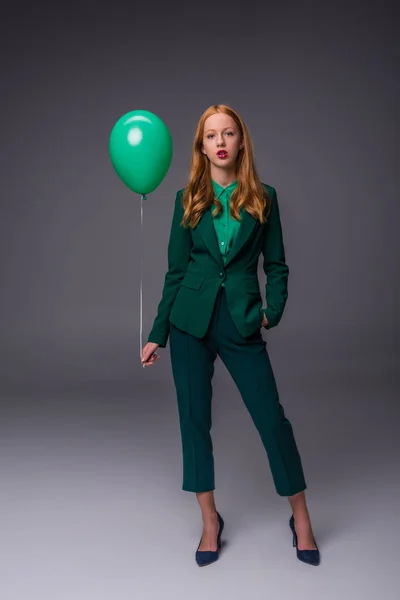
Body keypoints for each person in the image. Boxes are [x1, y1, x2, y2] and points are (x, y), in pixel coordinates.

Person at [141, 104, 320, 567]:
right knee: (193, 420)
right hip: (188, 324)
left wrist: (271, 311)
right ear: (201, 147)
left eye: (229, 133)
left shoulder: (265, 196)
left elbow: (276, 265)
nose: (220, 142)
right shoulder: (187, 199)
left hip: (241, 320)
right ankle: (209, 521)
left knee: (271, 420)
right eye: (211, 136)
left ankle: (301, 518)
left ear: (241, 141)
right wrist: (157, 333)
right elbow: (175, 272)